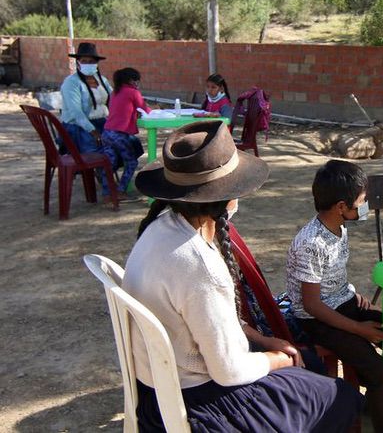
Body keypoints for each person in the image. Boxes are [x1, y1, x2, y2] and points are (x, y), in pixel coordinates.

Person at [124, 120, 363, 432]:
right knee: (340, 398)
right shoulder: (200, 265)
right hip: (203, 401)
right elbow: (229, 372)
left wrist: (262, 339)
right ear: (226, 197)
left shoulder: (159, 228)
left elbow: (204, 321)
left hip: (160, 389)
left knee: (312, 369)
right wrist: (277, 358)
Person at [285, 160, 383, 433]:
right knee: (378, 370)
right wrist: (358, 329)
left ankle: (377, 400)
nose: (365, 205)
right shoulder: (311, 242)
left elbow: (333, 275)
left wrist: (353, 296)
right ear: (341, 207)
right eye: (361, 201)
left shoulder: (339, 227)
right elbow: (312, 304)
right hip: (317, 319)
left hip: (342, 302)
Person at [101, 67, 150, 201]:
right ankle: (121, 190)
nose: (137, 83)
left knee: (109, 164)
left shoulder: (114, 92)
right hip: (120, 135)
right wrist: (153, 109)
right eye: (136, 80)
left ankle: (106, 193)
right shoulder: (133, 92)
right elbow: (144, 109)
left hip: (107, 133)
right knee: (131, 162)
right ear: (131, 80)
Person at [60, 42, 112, 153]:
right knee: (97, 148)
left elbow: (114, 99)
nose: (88, 64)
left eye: (92, 61)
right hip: (79, 127)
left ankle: (109, 169)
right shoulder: (71, 83)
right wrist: (93, 131)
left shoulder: (102, 80)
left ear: (97, 63)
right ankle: (97, 169)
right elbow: (76, 113)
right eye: (84, 61)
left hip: (102, 122)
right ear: (78, 63)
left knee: (128, 142)